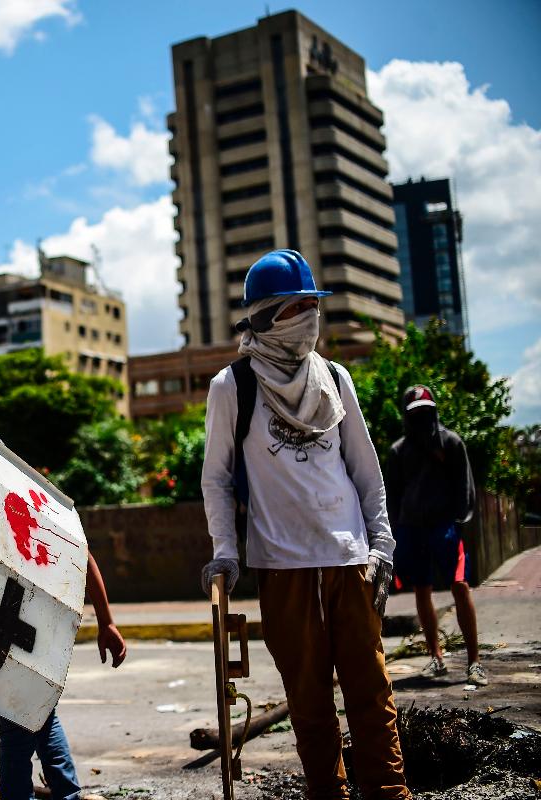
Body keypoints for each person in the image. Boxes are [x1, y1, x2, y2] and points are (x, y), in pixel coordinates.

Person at [200, 250, 410, 799]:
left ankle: (390, 793)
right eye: (300, 307)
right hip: (283, 568)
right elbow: (217, 479)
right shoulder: (233, 387)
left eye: (314, 306)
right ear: (268, 317)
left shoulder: (335, 379)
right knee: (310, 704)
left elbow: (366, 471)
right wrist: (225, 552)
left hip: (351, 562)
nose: (311, 318)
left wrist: (381, 547)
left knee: (372, 695)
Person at [0, 552, 125, 800]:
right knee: (43, 719)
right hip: (43, 624)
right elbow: (82, 554)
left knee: (17, 729)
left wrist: (107, 623)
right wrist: (106, 622)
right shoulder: (54, 513)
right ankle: (68, 795)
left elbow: (82, 554)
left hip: (8, 621)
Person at [384, 384, 485, 686]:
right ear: (407, 417)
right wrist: (394, 532)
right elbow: (392, 495)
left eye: (426, 412)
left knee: (460, 585)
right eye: (416, 414)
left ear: (435, 412)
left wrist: (459, 521)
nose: (422, 420)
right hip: (411, 528)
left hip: (445, 527)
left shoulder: (451, 443)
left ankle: (475, 662)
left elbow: (464, 486)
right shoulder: (399, 451)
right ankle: (437, 658)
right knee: (421, 590)